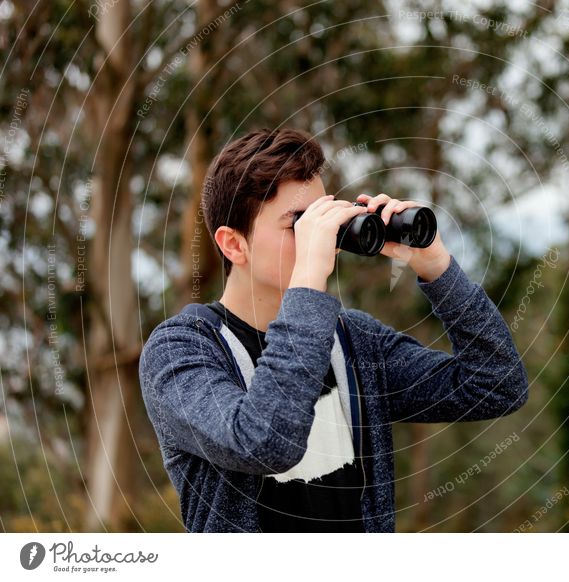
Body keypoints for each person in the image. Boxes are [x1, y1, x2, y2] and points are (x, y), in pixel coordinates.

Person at [138, 127, 529, 532]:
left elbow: (497, 385)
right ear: (234, 245)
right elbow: (266, 442)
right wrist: (308, 280)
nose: (320, 237)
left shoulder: (356, 343)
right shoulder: (181, 351)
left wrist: (435, 266)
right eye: (298, 223)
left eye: (322, 217)